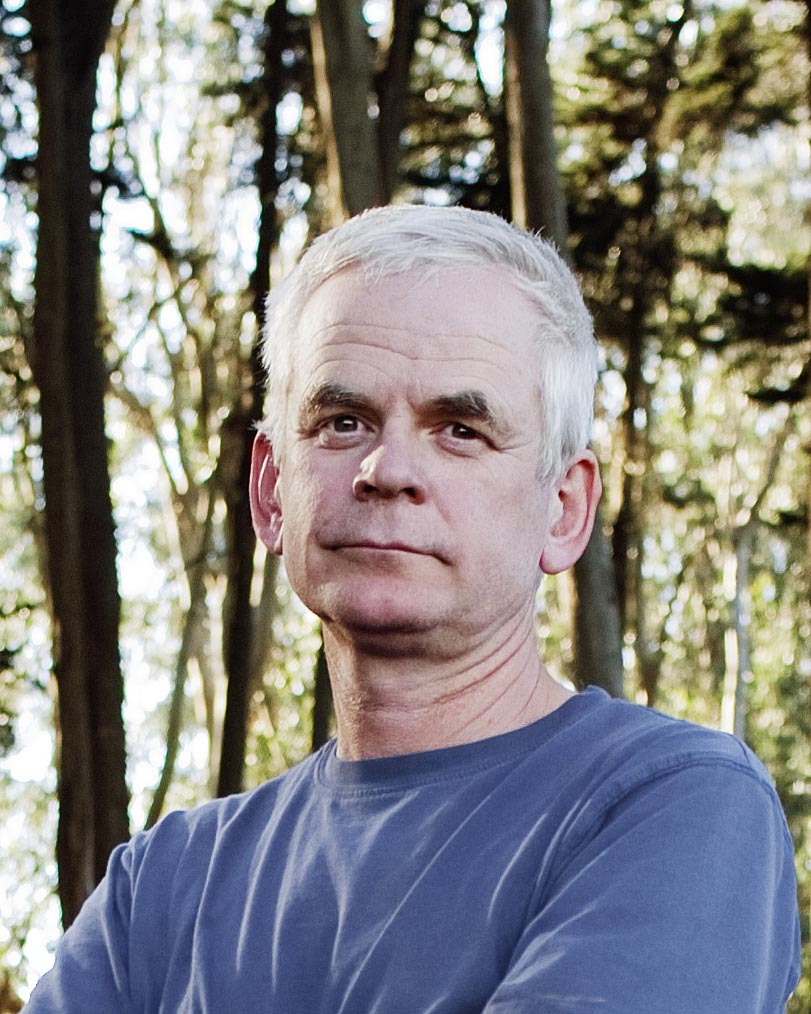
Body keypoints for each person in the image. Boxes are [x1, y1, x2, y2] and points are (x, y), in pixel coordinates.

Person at [26, 205, 800, 1012]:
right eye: (342, 421)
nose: (387, 468)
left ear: (563, 510)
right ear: (270, 492)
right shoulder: (158, 892)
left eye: (460, 429)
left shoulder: (672, 808)